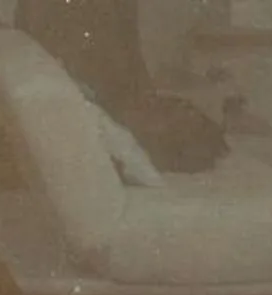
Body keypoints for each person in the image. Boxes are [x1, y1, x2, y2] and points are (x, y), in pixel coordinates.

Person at [15, 0, 228, 170]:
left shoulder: (97, 108)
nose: (181, 105)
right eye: (189, 109)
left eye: (181, 118)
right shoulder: (131, 91)